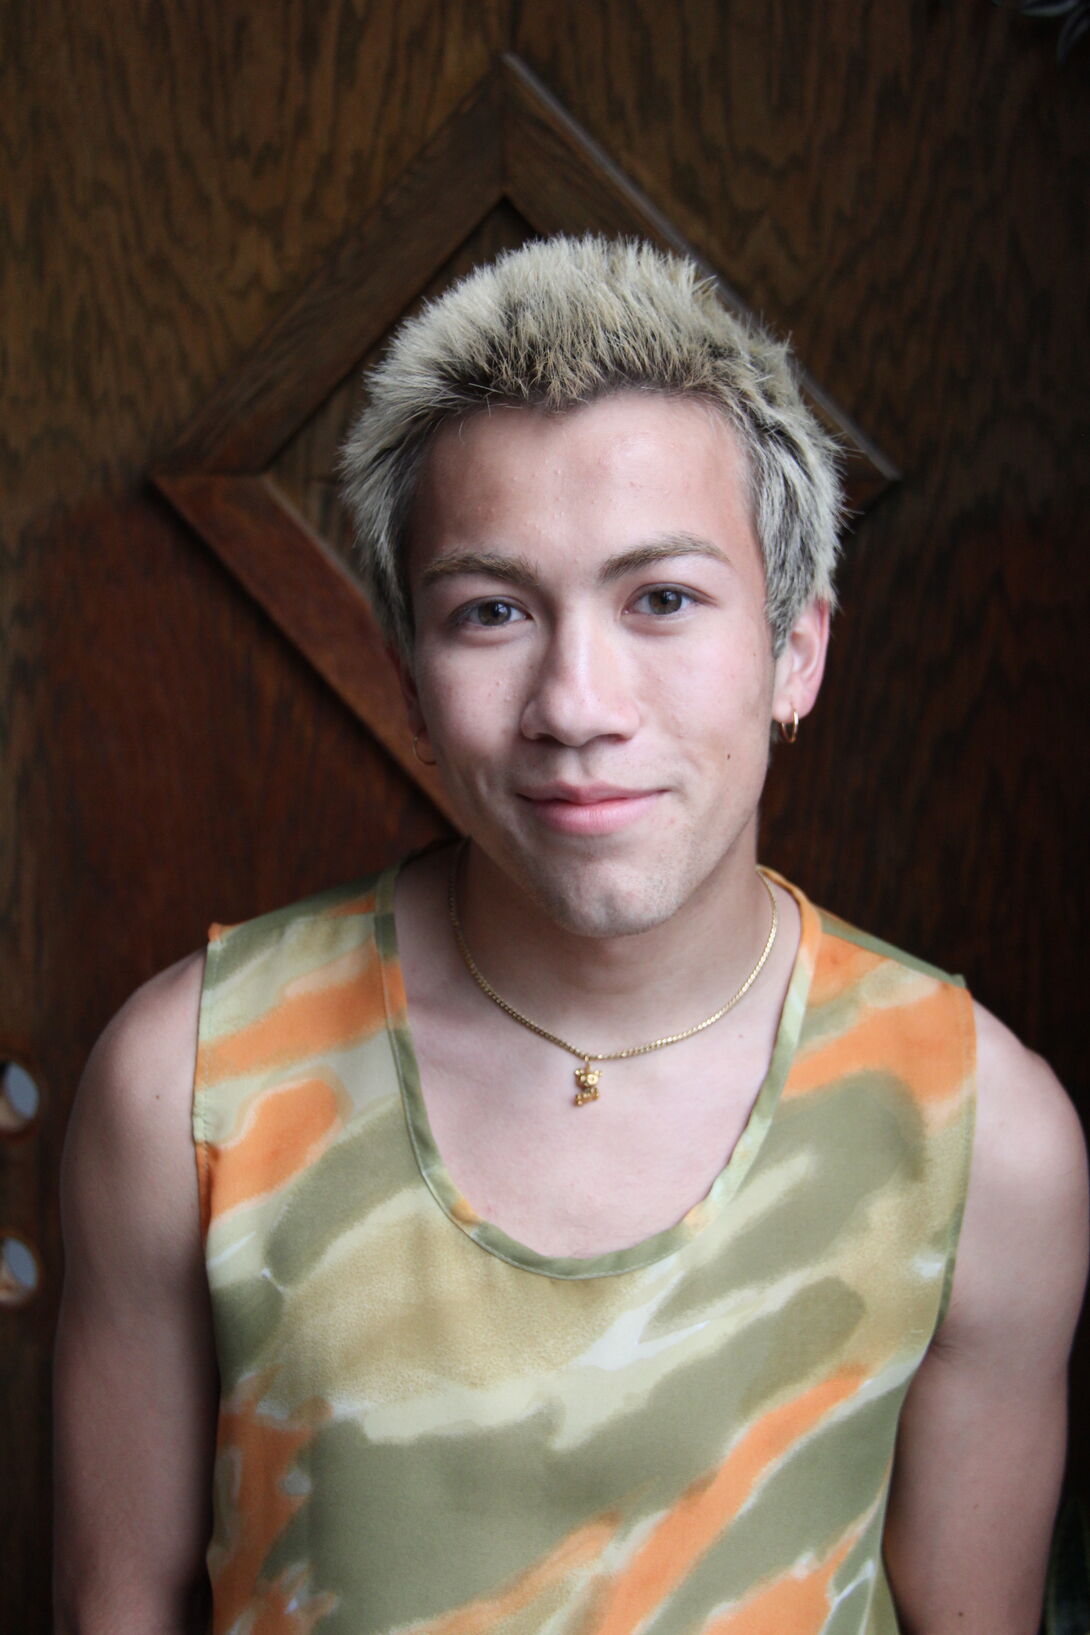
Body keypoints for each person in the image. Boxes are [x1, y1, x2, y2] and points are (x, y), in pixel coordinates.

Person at [54, 236, 1088, 1635]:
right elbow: (116, 1599)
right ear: (409, 674)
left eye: (661, 599)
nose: (576, 701)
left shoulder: (978, 1130)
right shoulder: (188, 1077)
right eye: (491, 612)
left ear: (796, 650)